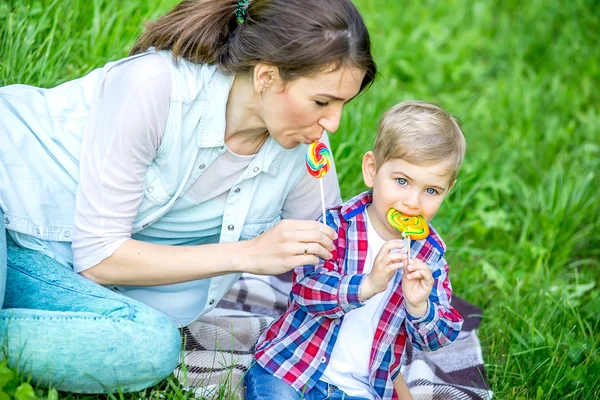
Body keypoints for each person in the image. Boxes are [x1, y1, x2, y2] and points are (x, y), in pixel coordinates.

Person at [0, 0, 377, 394]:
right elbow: (100, 256)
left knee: (148, 347)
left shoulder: (305, 152)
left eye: (342, 105)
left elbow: (336, 269)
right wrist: (249, 253)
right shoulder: (156, 87)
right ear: (267, 76)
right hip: (12, 199)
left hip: (48, 264)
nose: (332, 123)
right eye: (321, 102)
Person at [245, 100, 466, 400]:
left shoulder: (431, 256)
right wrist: (367, 284)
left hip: (359, 389)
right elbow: (306, 292)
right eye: (402, 181)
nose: (414, 202)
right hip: (293, 369)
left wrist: (419, 307)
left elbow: (438, 338)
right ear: (372, 170)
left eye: (431, 191)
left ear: (447, 190)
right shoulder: (335, 225)